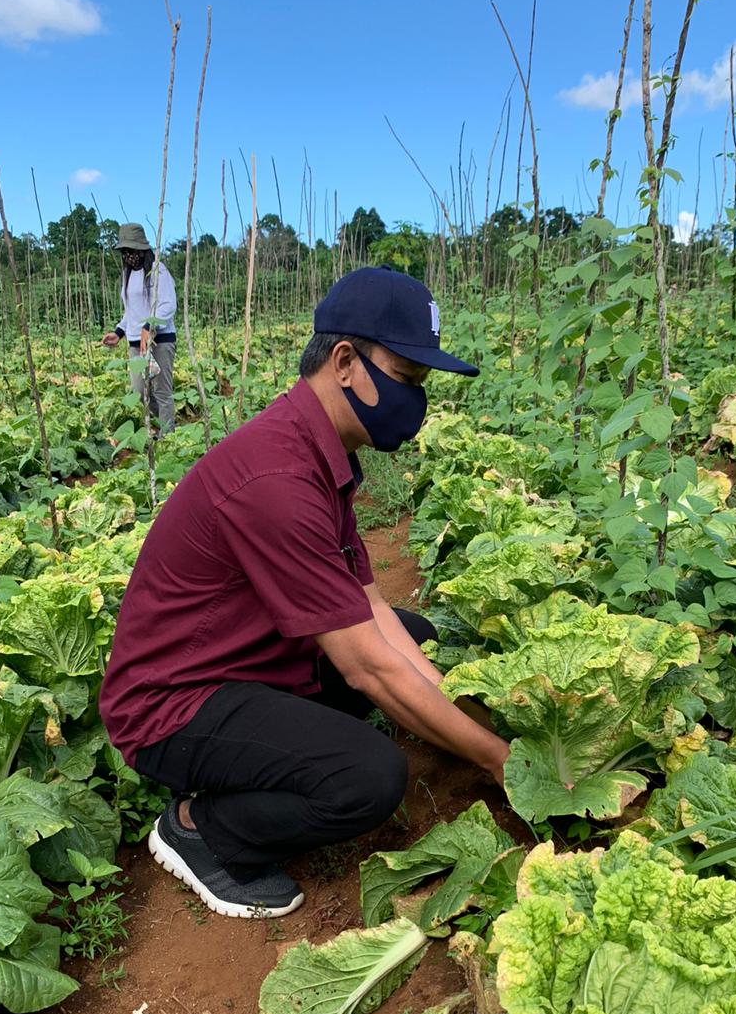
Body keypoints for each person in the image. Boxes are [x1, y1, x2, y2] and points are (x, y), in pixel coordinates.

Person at [99, 266, 510, 919]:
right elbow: (367, 665)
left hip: (251, 661)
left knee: (416, 636)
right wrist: (502, 762)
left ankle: (288, 745)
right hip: (172, 704)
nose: (416, 402)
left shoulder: (319, 447)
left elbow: (370, 604)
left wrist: (446, 698)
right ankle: (202, 830)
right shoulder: (276, 476)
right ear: (345, 361)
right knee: (369, 778)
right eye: (407, 380)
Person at [101, 222, 177, 435]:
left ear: (142, 249)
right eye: (124, 252)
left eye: (131, 251)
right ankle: (166, 424)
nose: (128, 256)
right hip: (136, 344)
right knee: (140, 392)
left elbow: (168, 305)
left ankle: (167, 438)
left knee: (162, 391)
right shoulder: (128, 275)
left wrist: (149, 326)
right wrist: (118, 332)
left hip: (160, 341)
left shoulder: (157, 270)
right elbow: (131, 311)